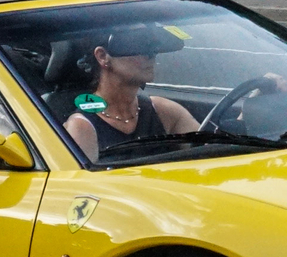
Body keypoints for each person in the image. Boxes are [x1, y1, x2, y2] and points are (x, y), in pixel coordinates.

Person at [61, 25, 201, 159]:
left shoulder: (164, 111)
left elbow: (208, 151)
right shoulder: (82, 127)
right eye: (136, 44)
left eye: (151, 44)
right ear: (102, 56)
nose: (151, 54)